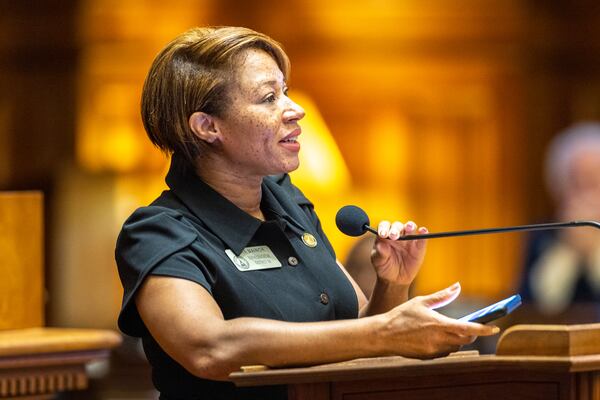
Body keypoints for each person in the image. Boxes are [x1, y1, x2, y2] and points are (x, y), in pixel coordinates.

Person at [115, 26, 498, 400]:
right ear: (207, 126)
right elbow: (209, 348)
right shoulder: (158, 231)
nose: (295, 110)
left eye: (286, 92)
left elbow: (357, 335)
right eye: (269, 98)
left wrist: (392, 285)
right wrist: (385, 331)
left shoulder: (287, 202)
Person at [520, 122, 600, 316]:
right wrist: (569, 251)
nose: (586, 196)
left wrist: (594, 252)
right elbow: (532, 305)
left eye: (593, 182)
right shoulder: (541, 235)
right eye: (577, 183)